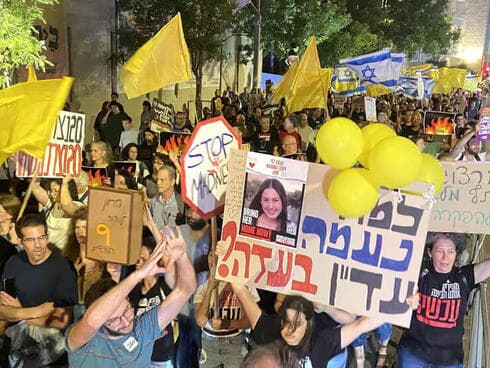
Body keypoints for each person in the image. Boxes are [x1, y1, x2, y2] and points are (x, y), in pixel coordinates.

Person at [65, 227, 196, 367]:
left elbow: (185, 290)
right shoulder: (84, 342)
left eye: (127, 310)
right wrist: (138, 275)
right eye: (114, 320)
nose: (126, 322)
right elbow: (92, 321)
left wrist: (182, 257)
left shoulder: (143, 328)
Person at [231, 285, 415, 368]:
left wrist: (402, 304)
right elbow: (239, 289)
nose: (290, 330)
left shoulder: (323, 342)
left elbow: (363, 323)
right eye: (286, 322)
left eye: (298, 324)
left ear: (308, 324)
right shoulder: (270, 330)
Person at [398, 233, 490, 367]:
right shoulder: (418, 271)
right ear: (430, 252)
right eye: (439, 251)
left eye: (450, 252)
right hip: (414, 353)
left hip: (449, 359)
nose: (445, 257)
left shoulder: (464, 276)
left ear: (456, 254)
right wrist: (406, 297)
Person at [1, 214, 77, 366]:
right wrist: (36, 311)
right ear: (21, 242)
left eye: (42, 237)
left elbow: (61, 321)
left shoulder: (62, 266)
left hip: (49, 349)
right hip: (15, 345)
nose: (38, 245)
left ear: (47, 237)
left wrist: (18, 312)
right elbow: (3, 310)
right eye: (30, 239)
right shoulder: (14, 263)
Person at [128, 235, 176, 367]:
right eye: (137, 260)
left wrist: (151, 224)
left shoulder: (165, 286)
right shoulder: (132, 290)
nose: (138, 263)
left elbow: (169, 261)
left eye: (143, 260)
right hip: (137, 355)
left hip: (159, 357)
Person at [150, 165, 184, 229]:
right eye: (157, 179)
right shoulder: (154, 201)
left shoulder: (180, 203)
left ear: (172, 182)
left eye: (162, 180)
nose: (158, 183)